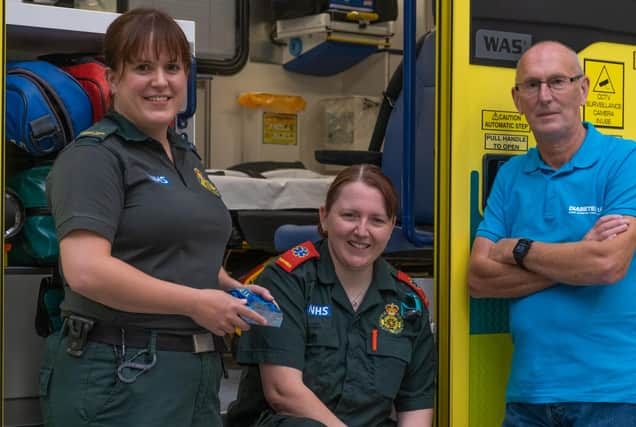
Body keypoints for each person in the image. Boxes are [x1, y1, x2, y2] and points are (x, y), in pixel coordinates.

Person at [40, 8, 273, 427]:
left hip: (194, 375)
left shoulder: (185, 156)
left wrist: (229, 288)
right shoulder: (95, 158)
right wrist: (197, 303)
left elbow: (174, 247)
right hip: (121, 377)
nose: (161, 81)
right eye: (143, 68)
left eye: (173, 67)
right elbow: (86, 271)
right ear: (112, 79)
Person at [467, 40, 636, 426]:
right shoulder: (511, 176)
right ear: (517, 98)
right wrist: (577, 255)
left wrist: (519, 249)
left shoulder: (628, 161)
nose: (544, 96)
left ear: (583, 89)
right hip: (529, 398)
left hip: (614, 397)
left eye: (558, 81)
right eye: (532, 85)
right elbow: (479, 278)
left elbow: (607, 264)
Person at [225, 164, 436, 427]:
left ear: (392, 226)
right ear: (324, 218)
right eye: (349, 215)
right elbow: (282, 392)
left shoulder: (408, 301)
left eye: (377, 220)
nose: (361, 230)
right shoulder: (279, 281)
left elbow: (416, 406)